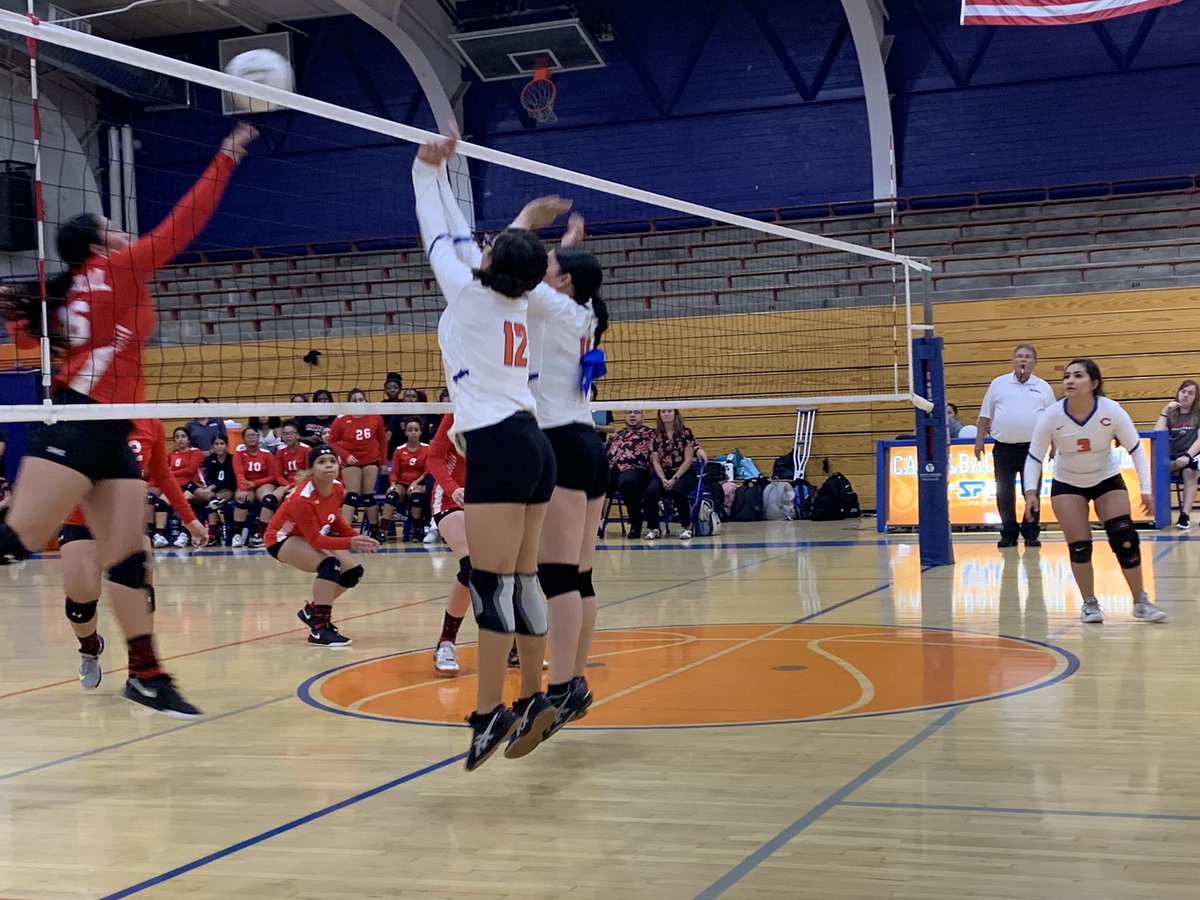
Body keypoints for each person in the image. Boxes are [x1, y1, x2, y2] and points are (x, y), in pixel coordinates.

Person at [0, 121, 256, 717]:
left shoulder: (64, 294)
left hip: (113, 426)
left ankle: (146, 675)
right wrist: (226, 156)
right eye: (111, 228)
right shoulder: (116, 272)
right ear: (96, 244)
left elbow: (32, 335)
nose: (122, 234)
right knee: (17, 541)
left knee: (127, 559)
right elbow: (183, 226)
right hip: (77, 422)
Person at [414, 124, 558, 770]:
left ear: (493, 264)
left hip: (498, 446)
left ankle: (487, 712)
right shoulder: (515, 297)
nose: (486, 244)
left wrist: (423, 170)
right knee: (522, 580)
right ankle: (533, 696)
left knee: (491, 587)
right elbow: (469, 241)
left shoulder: (471, 293)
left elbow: (440, 236)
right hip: (533, 444)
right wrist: (447, 172)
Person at [523, 211, 609, 733]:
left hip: (556, 440)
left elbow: (508, 268)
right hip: (587, 444)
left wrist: (545, 236)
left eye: (552, 265)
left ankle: (560, 688)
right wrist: (572, 245)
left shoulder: (550, 304)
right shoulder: (589, 312)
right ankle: (573, 680)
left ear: (563, 281)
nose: (544, 266)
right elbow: (558, 276)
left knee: (555, 576)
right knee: (578, 575)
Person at [63, 419, 208, 691]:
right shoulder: (77, 415)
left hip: (126, 521)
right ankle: (89, 647)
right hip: (80, 520)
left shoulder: (149, 423)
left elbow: (163, 475)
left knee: (140, 589)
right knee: (80, 601)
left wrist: (190, 520)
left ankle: (139, 671)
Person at [1023, 358, 1167, 624]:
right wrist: (1030, 491)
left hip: (1106, 478)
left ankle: (1141, 601)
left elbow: (1136, 450)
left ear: (1094, 383)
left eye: (1078, 376)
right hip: (1067, 482)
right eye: (1067, 376)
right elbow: (1034, 456)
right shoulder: (1052, 415)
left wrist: (1147, 490)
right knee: (1079, 547)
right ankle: (1089, 604)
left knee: (1125, 537)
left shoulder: (1111, 410)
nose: (1070, 381)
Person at [265, 445, 380, 647]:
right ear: (311, 470)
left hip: (307, 536)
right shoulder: (302, 498)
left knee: (353, 572)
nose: (328, 466)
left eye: (332, 461)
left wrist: (354, 535)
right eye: (321, 462)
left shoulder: (336, 486)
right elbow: (316, 541)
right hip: (281, 539)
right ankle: (319, 629)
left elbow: (333, 516)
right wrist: (349, 542)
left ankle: (312, 610)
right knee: (330, 565)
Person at [974, 343, 1054, 549]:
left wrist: (1055, 446)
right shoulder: (998, 384)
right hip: (1004, 448)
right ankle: (1008, 533)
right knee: (1004, 493)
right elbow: (985, 415)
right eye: (1019, 356)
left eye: (1028, 357)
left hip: (1032, 449)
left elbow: (1053, 419)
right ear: (1013, 360)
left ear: (1034, 362)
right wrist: (979, 439)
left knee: (1032, 491)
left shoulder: (1043, 387)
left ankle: (1031, 533)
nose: (1023, 360)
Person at [426, 412, 470, 675]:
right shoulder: (458, 411)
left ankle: (514, 645)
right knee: (472, 565)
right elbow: (434, 457)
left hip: (492, 497)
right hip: (452, 499)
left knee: (506, 569)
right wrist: (452, 487)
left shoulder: (511, 406)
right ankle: (446, 642)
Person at [327, 389, 387, 534]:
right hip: (351, 462)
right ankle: (345, 530)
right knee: (352, 496)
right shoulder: (341, 419)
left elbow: (382, 440)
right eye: (354, 400)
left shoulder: (375, 417)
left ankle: (375, 529)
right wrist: (345, 455)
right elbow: (332, 441)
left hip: (371, 460)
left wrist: (383, 461)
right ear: (349, 403)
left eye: (361, 399)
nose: (358, 403)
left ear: (366, 401)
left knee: (368, 496)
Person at [644, 408, 700, 541]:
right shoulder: (656, 435)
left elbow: (688, 460)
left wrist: (674, 479)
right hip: (664, 474)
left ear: (675, 413)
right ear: (659, 415)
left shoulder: (686, 433)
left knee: (678, 491)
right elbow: (655, 461)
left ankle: (686, 527)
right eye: (663, 412)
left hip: (684, 473)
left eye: (669, 411)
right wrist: (663, 478)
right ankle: (654, 528)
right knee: (651, 491)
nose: (666, 414)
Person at [1154, 379, 1200, 529]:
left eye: (1190, 393)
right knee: (1157, 469)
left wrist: (1187, 456)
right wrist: (1164, 411)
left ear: (1195, 398)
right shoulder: (1171, 414)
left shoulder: (1198, 415)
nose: (1186, 395)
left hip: (1194, 456)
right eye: (1183, 391)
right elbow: (1158, 434)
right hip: (1173, 459)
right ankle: (1155, 514)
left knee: (1189, 471)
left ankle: (1184, 516)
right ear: (1178, 393)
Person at [605, 410, 655, 539]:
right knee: (595, 484)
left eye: (636, 412)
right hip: (613, 469)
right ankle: (595, 525)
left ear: (643, 416)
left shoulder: (652, 434)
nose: (632, 415)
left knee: (628, 483)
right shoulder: (616, 435)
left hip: (636, 470)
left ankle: (635, 523)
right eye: (629, 413)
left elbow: (672, 444)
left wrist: (696, 449)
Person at [379, 417, 429, 541]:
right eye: (410, 430)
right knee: (391, 495)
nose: (413, 432)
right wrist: (393, 484)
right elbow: (394, 472)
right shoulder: (399, 450)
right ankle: (383, 531)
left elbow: (427, 471)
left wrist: (416, 483)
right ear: (405, 432)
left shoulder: (427, 449)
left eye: (416, 430)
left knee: (416, 496)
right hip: (402, 484)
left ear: (420, 432)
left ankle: (416, 529)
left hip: (419, 483)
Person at [231, 426, 280, 548]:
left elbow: (273, 475)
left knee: (269, 499)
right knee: (242, 498)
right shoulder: (239, 454)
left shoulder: (267, 454)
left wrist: (256, 483)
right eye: (248, 435)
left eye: (254, 435)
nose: (252, 437)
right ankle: (237, 535)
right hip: (246, 483)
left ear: (258, 438)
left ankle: (261, 534)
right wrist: (243, 488)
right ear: (244, 439)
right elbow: (239, 473)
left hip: (262, 483)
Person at [166, 426, 207, 547]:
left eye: (183, 436)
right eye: (177, 437)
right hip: (175, 486)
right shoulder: (171, 455)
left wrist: (171, 473)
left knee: (184, 501)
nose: (180, 439)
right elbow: (164, 471)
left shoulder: (196, 452)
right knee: (159, 502)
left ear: (189, 439)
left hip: (192, 486)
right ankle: (159, 534)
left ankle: (184, 534)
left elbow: (191, 470)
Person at [199, 434, 236, 545]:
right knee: (210, 501)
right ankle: (212, 533)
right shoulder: (210, 461)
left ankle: (216, 530)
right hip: (214, 491)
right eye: (216, 444)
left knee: (216, 500)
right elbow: (208, 478)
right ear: (212, 447)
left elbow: (230, 480)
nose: (219, 446)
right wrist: (211, 488)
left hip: (229, 489)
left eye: (222, 443)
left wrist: (214, 487)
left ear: (227, 445)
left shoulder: (232, 459)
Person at [274, 420, 311, 489]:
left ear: (297, 435)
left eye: (291, 433)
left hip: (304, 484)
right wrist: (288, 486)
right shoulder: (280, 452)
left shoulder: (307, 450)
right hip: (287, 485)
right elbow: (278, 476)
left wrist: (295, 486)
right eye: (285, 434)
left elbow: (310, 472)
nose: (288, 436)